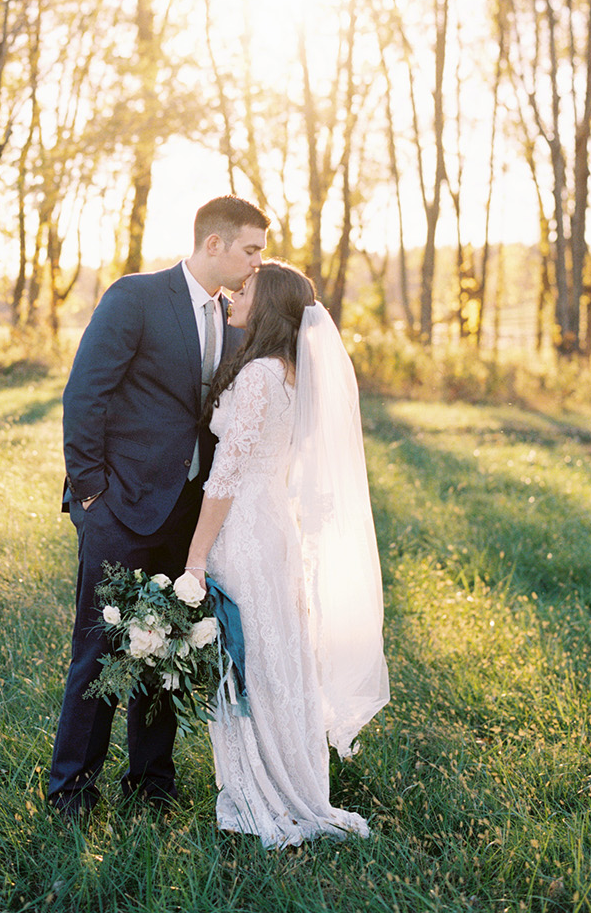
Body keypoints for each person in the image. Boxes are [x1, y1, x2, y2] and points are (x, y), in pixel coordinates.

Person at [47, 194, 270, 817]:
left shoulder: (234, 317)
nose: (257, 262)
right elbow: (85, 395)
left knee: (167, 649)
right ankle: (72, 790)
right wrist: (92, 495)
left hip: (188, 516)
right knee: (99, 650)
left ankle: (151, 785)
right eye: (251, 249)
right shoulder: (136, 297)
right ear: (215, 244)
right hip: (120, 507)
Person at [184, 261, 389, 848]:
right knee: (276, 658)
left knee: (251, 660)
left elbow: (225, 476)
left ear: (268, 303)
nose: (232, 294)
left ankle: (262, 794)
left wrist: (195, 560)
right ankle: (288, 779)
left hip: (245, 530)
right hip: (275, 526)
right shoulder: (293, 373)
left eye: (244, 289)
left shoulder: (259, 377)